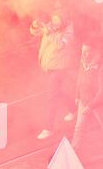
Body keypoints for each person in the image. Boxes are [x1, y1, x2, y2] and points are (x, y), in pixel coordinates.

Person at [30, 10, 76, 139]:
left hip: (59, 69)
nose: (54, 22)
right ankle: (73, 109)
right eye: (53, 19)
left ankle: (48, 128)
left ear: (63, 21)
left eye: (57, 20)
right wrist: (35, 25)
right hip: (51, 68)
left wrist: (49, 33)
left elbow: (60, 44)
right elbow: (35, 32)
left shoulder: (68, 33)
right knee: (60, 92)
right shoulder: (52, 27)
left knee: (51, 97)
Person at [72, 42, 103, 153]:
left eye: (86, 51)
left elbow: (101, 92)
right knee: (79, 126)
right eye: (82, 51)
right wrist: (77, 95)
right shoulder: (83, 62)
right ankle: (73, 151)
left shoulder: (100, 68)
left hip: (97, 104)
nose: (83, 54)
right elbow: (80, 79)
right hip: (84, 100)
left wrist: (90, 106)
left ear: (95, 52)